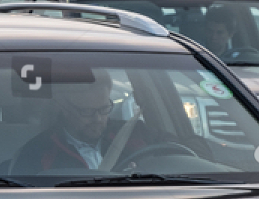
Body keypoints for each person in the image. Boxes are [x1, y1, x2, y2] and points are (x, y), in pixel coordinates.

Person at [9, 71, 167, 175]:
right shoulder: (36, 154)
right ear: (64, 109)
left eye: (104, 109)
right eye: (86, 112)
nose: (97, 119)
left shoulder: (138, 133)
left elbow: (185, 152)